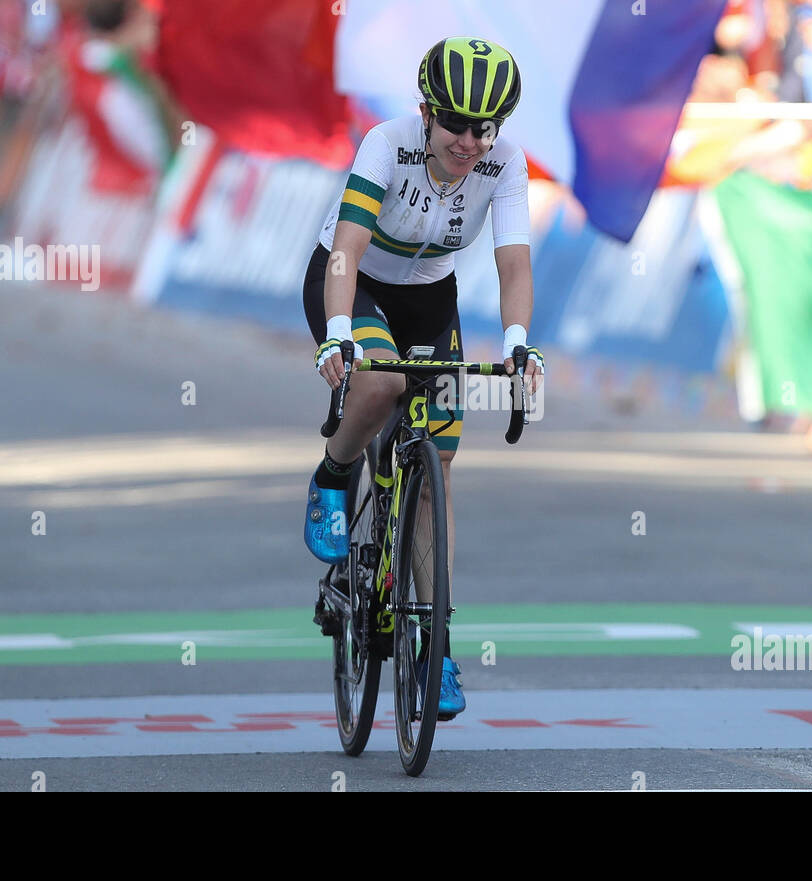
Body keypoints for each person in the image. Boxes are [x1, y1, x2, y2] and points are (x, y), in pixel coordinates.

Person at [302, 37, 544, 718]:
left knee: (438, 461)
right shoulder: (387, 143)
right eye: (457, 124)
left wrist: (520, 343)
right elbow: (347, 250)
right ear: (427, 111)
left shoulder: (505, 164)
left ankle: (433, 646)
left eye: (484, 127)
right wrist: (340, 333)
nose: (470, 141)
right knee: (380, 386)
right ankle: (332, 472)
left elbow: (514, 265)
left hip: (430, 302)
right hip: (357, 286)